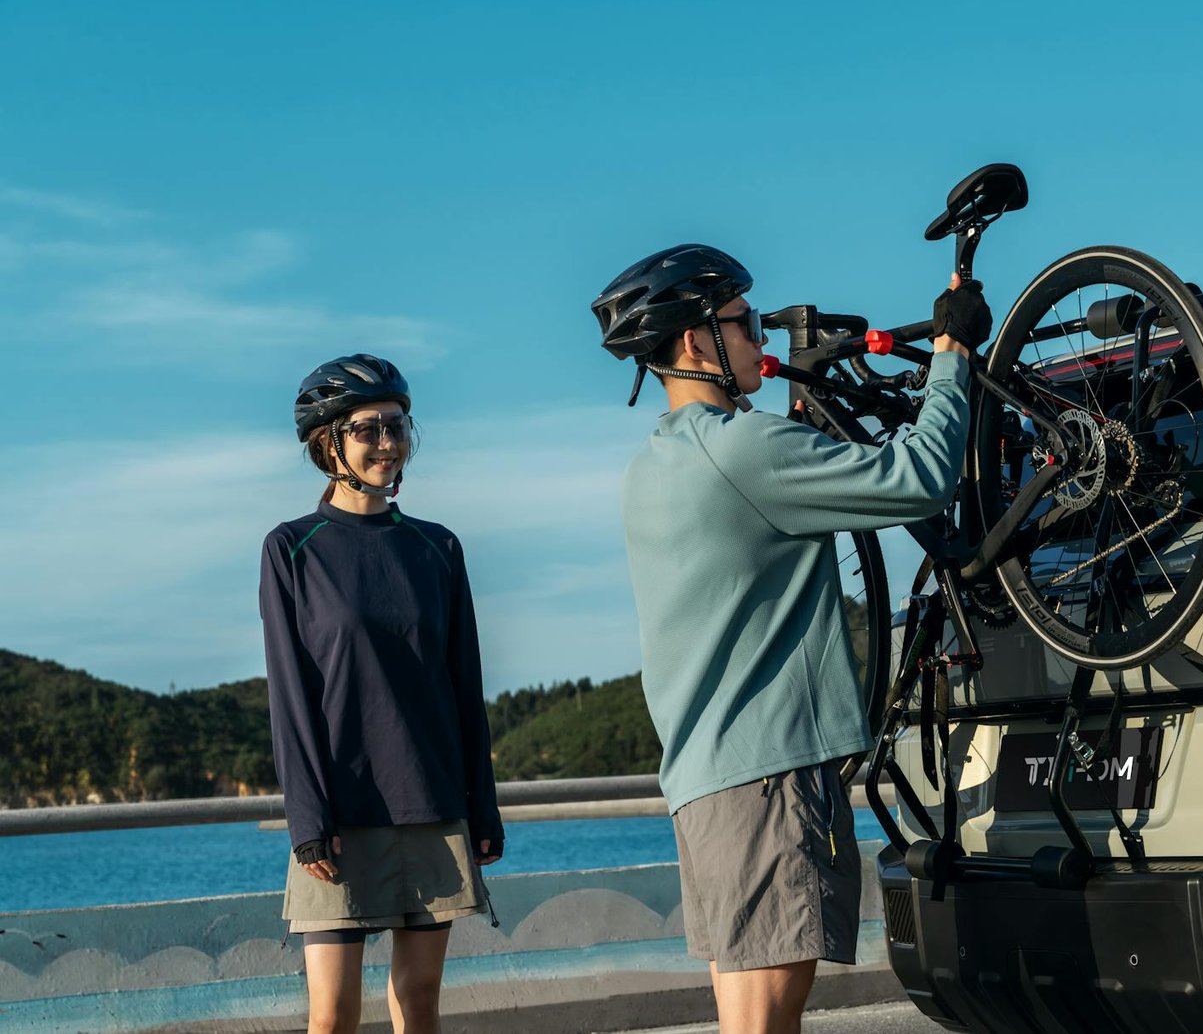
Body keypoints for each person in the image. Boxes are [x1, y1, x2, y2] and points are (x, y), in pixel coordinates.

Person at [593, 245, 991, 1034]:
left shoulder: (650, 470)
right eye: (742, 321)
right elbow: (918, 477)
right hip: (771, 778)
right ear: (695, 342)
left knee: (747, 1023)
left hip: (705, 784)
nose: (756, 337)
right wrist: (952, 356)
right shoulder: (745, 448)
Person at [259, 354, 504, 1034]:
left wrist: (480, 804)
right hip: (341, 814)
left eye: (398, 426)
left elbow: (464, 684)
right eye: (368, 429)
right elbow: (289, 693)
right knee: (331, 1015)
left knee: (419, 1002)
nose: (389, 442)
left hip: (431, 800)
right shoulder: (292, 548)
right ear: (326, 442)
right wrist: (308, 818)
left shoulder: (437, 548)